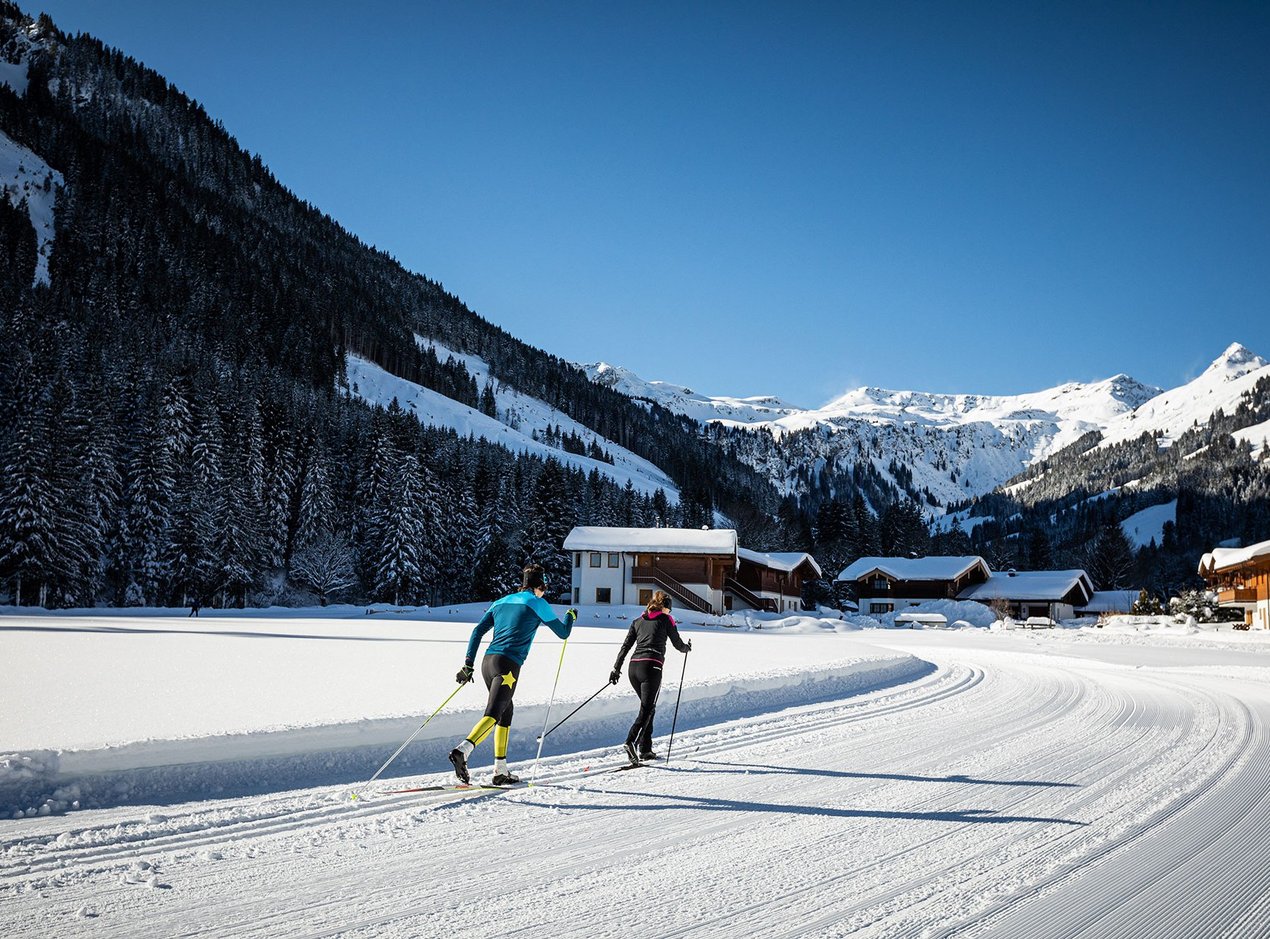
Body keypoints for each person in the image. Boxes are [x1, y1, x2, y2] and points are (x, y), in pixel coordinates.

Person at [449, 564, 577, 786]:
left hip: (488, 662)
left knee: (506, 711)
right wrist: (570, 616)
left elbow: (478, 631)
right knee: (493, 713)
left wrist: (467, 664)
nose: (544, 592)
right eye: (544, 588)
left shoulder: (501, 601)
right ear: (540, 586)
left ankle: (500, 771)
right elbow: (563, 633)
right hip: (508, 665)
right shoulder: (537, 603)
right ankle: (463, 750)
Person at [609, 590, 691, 764]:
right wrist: (687, 648)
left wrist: (616, 669)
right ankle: (631, 741)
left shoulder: (637, 621)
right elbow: (677, 644)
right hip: (651, 667)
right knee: (647, 709)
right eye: (670, 609)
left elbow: (625, 647)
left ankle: (645, 749)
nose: (671, 613)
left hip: (633, 669)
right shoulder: (666, 619)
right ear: (666, 607)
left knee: (648, 708)